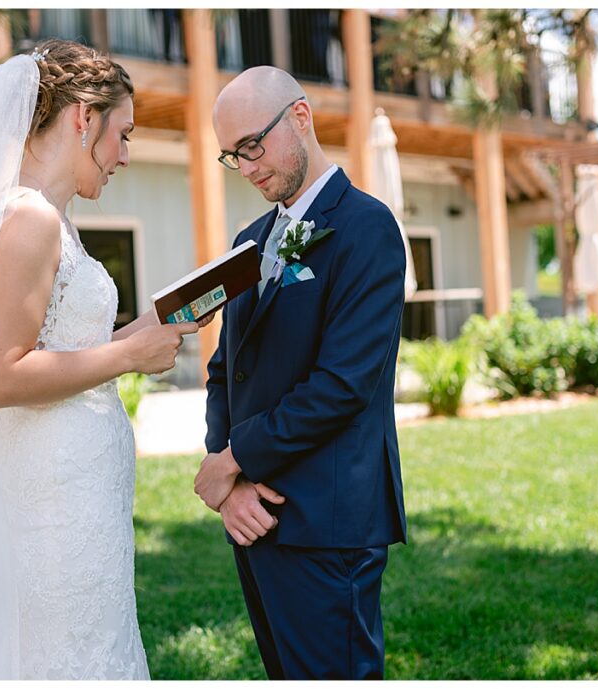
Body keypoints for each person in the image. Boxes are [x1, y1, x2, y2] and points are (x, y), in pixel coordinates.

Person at [0, 39, 206, 680]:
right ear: (83, 118)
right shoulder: (30, 219)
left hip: (78, 489)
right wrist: (127, 355)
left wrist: (151, 328)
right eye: (123, 133)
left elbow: (61, 344)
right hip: (53, 501)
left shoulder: (55, 221)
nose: (125, 155)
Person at [194, 66, 407, 680]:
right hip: (254, 517)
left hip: (326, 519)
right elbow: (224, 370)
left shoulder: (367, 227)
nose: (246, 167)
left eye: (252, 146)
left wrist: (233, 459)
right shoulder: (249, 240)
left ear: (300, 118)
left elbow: (342, 385)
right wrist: (231, 486)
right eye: (232, 156)